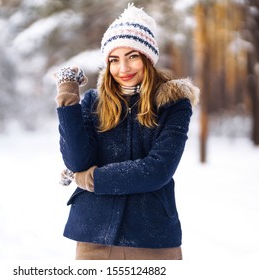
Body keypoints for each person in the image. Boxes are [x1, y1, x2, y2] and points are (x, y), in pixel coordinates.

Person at [54, 3, 199, 260]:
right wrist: (68, 98)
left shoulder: (174, 104)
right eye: (114, 59)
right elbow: (77, 161)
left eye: (132, 56)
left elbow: (156, 170)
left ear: (147, 57)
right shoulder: (93, 102)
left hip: (152, 238)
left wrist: (90, 179)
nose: (123, 68)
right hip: (93, 237)